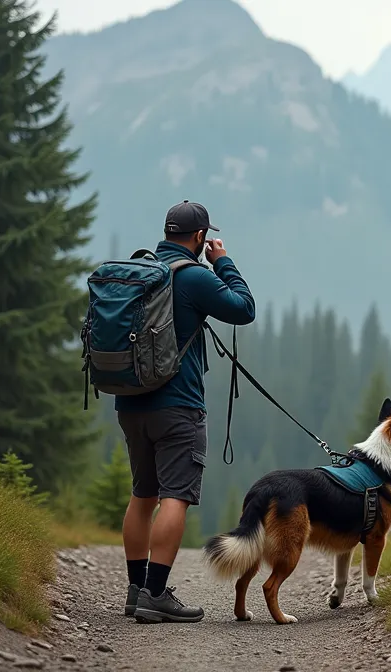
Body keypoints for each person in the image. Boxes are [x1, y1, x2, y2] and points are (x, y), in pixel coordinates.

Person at [117, 200, 255, 624]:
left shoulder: (143, 270)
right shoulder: (194, 276)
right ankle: (155, 594)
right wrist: (223, 261)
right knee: (174, 497)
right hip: (178, 406)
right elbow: (244, 308)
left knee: (142, 496)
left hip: (130, 402)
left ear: (166, 232)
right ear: (199, 237)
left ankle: (136, 590)